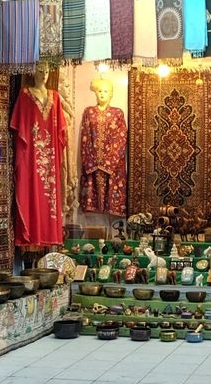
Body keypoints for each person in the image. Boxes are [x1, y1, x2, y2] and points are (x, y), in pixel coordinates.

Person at [10, 62, 69, 246]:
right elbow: (19, 127)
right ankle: (30, 232)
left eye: (46, 71)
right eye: (40, 70)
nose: (44, 74)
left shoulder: (55, 97)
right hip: (31, 154)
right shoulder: (25, 95)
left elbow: (62, 132)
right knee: (30, 187)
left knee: (49, 194)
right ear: (32, 72)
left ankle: (48, 233)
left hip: (50, 156)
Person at [80, 76, 127, 216]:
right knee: (92, 184)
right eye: (100, 91)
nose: (102, 94)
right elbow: (85, 135)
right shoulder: (89, 112)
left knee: (112, 186)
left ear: (111, 94)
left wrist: (108, 160)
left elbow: (121, 137)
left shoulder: (117, 113)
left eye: (106, 91)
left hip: (112, 162)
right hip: (93, 160)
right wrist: (91, 159)